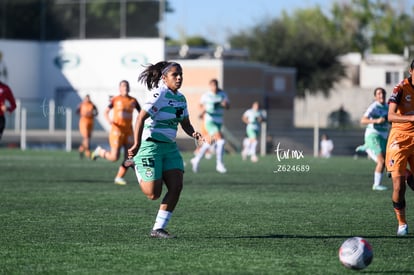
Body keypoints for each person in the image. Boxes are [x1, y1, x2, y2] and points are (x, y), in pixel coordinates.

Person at [127, 61, 202, 238]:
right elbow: (141, 119)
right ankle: (136, 164)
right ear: (164, 77)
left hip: (169, 148)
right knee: (153, 194)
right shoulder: (158, 94)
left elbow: (185, 123)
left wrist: (194, 133)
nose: (179, 77)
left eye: (181, 74)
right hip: (150, 146)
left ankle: (158, 228)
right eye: (175, 74)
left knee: (176, 187)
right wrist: (137, 144)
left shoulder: (181, 99)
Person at [91, 80, 141, 186]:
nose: (125, 88)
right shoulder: (115, 99)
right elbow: (106, 111)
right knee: (114, 157)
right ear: (120, 89)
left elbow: (141, 113)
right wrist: (109, 120)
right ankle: (99, 152)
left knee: (129, 157)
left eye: (127, 86)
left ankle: (119, 177)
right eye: (123, 86)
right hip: (117, 131)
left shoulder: (133, 101)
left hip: (128, 131)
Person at [386, 59, 414, 236]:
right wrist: (411, 119)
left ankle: (408, 174)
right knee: (398, 187)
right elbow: (390, 116)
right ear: (411, 71)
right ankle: (402, 223)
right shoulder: (400, 88)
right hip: (399, 140)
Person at [191, 79, 230, 173]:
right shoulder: (206, 95)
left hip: (219, 120)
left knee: (210, 142)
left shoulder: (223, 94)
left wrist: (225, 105)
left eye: (216, 85)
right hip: (209, 120)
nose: (214, 87)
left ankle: (196, 159)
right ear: (210, 86)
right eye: (212, 86)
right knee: (221, 140)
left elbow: (228, 106)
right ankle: (219, 164)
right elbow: (200, 105)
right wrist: (202, 112)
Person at [357, 87, 389, 191]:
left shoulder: (389, 107)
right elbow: (363, 120)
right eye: (379, 94)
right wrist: (376, 121)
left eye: (383, 93)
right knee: (381, 161)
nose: (381, 95)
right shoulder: (374, 107)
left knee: (386, 162)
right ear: (375, 97)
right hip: (373, 135)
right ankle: (376, 185)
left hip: (383, 137)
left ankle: (366, 147)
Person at [76, 94, 98, 159]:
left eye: (88, 98)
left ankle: (81, 149)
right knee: (86, 138)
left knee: (88, 138)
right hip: (83, 122)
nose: (87, 99)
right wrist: (83, 114)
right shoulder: (81, 104)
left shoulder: (92, 105)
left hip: (90, 122)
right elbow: (77, 112)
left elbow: (96, 112)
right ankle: (88, 154)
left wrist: (93, 113)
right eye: (86, 98)